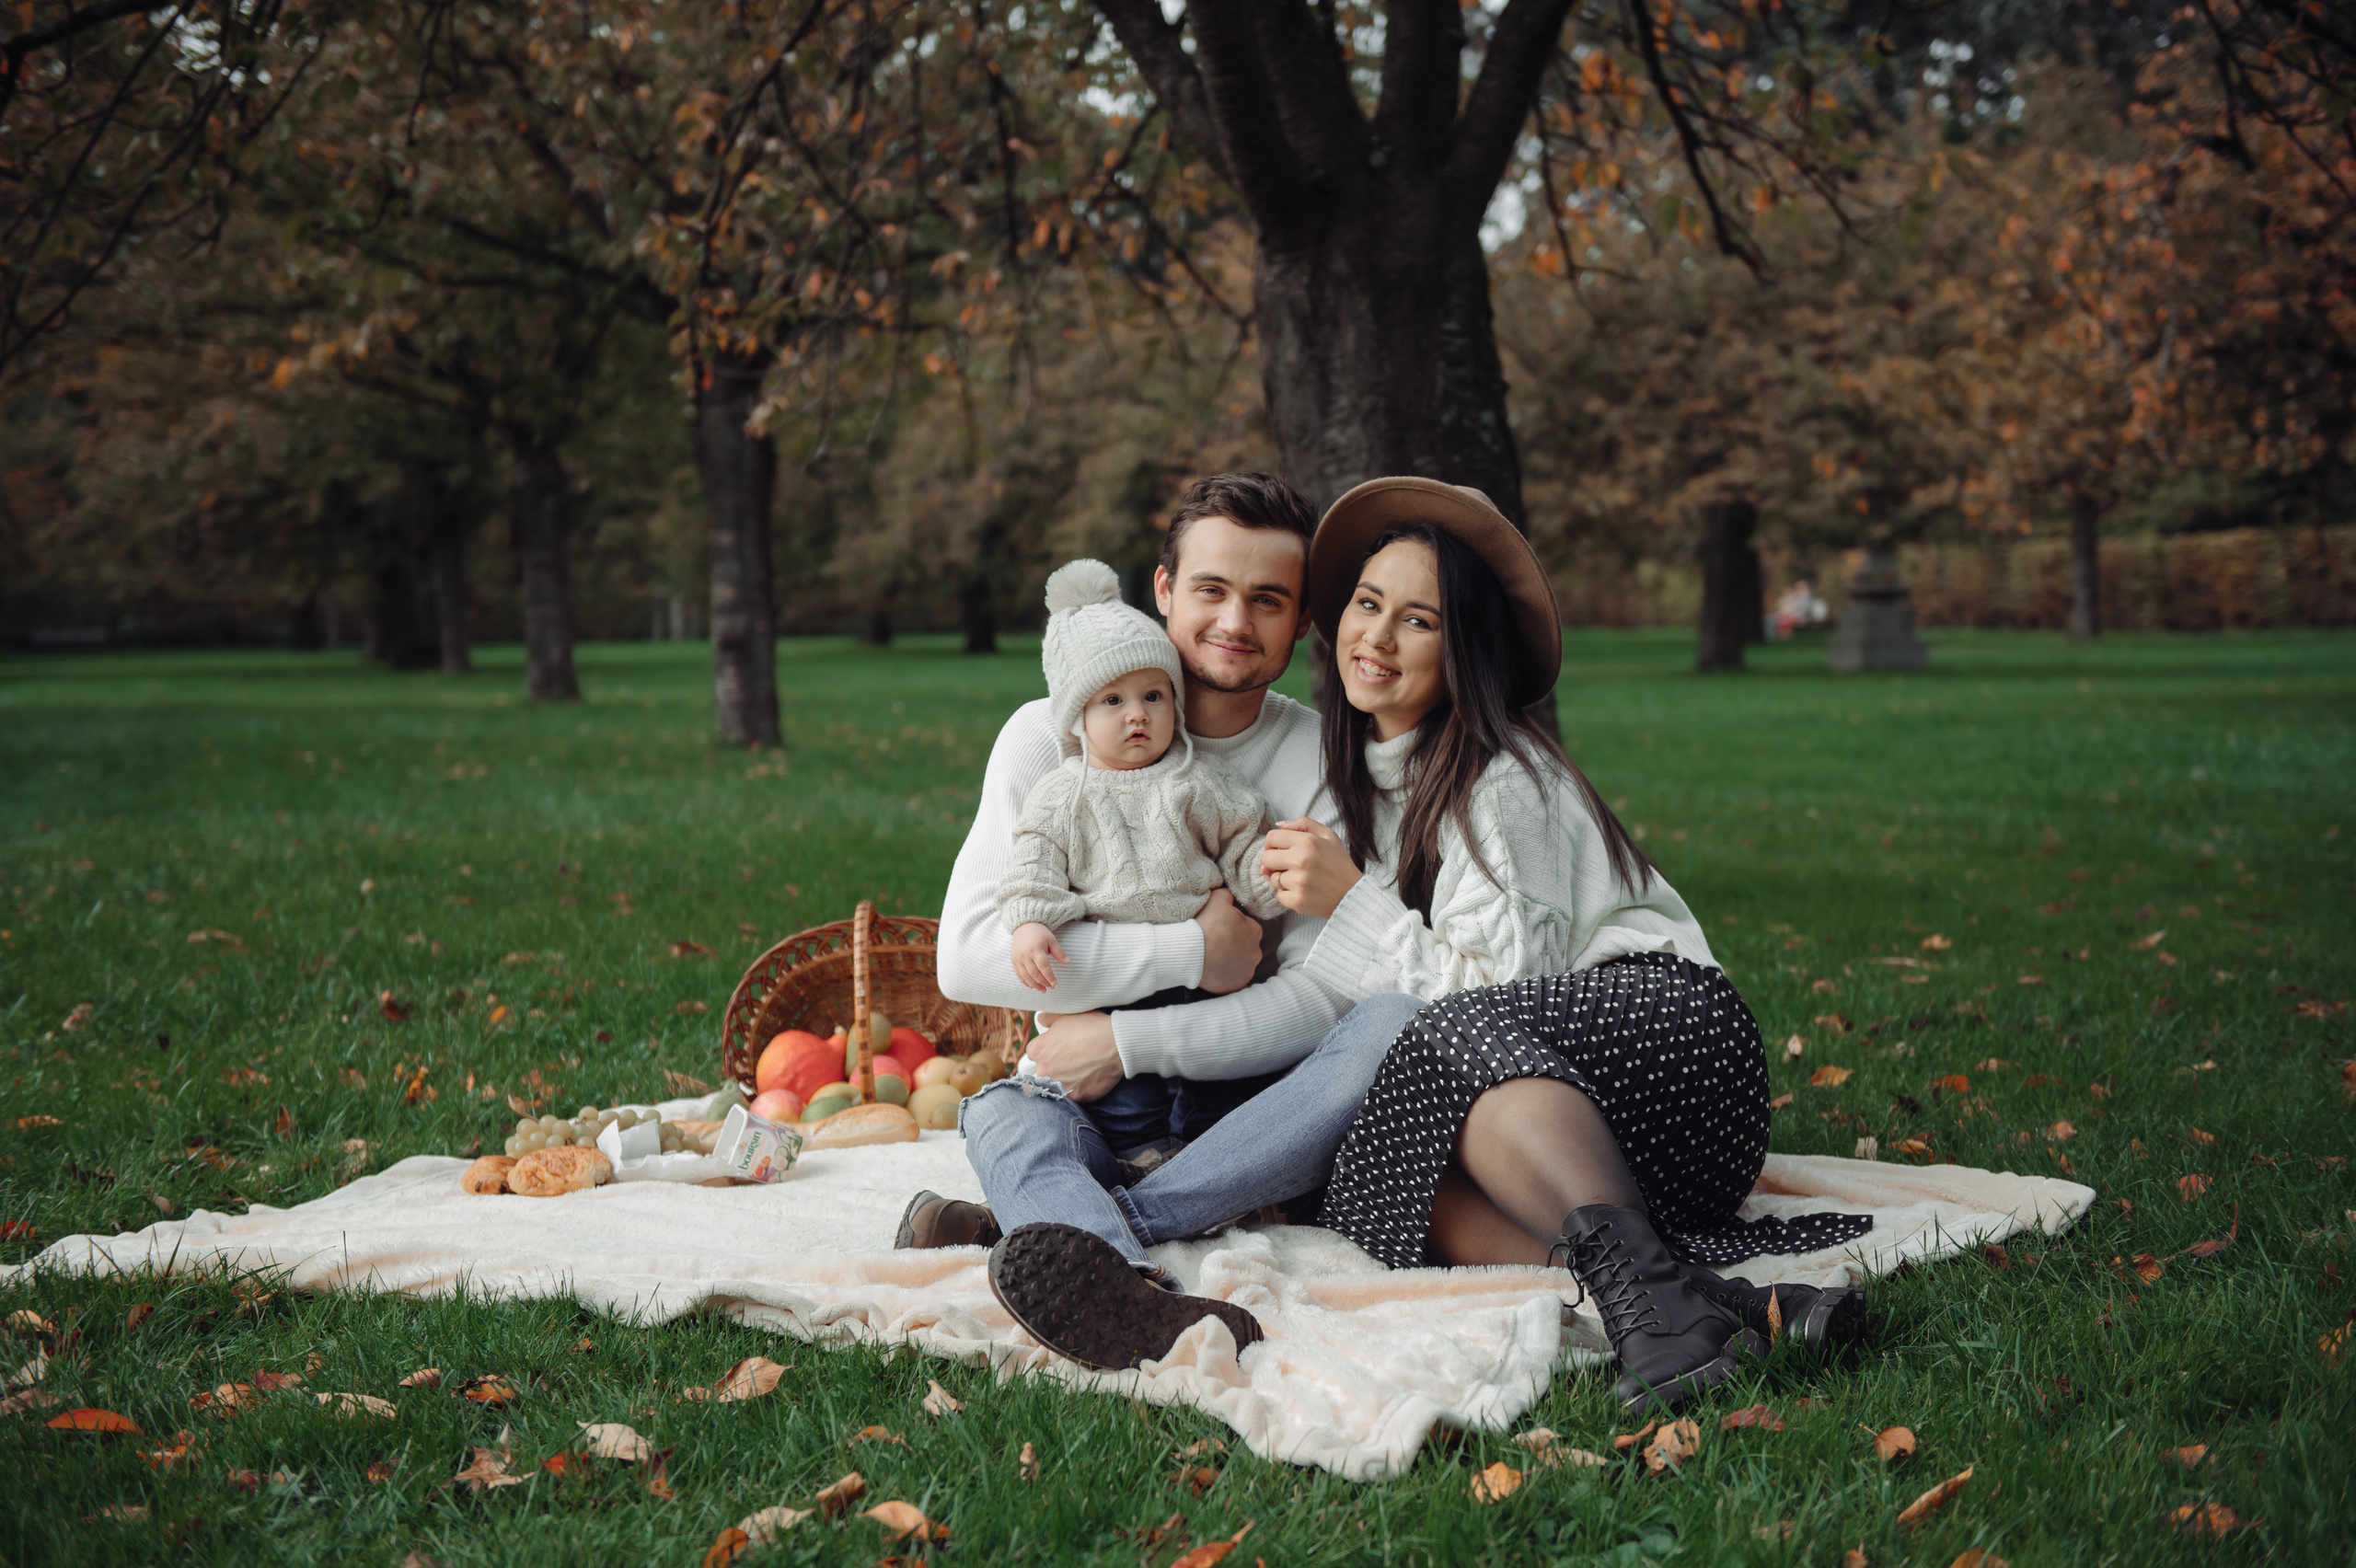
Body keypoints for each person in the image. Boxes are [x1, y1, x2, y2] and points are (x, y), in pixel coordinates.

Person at [1269, 478, 1871, 1415]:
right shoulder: (1363, 785)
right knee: (1374, 1177)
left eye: (1418, 620)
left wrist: (1354, 906)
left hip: (1671, 1052)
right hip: (1562, 1151)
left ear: (1463, 648)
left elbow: (1501, 1003)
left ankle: (1666, 1302)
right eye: (1367, 604)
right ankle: (1700, 1306)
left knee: (1445, 1038)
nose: (1377, 637)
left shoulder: (1500, 776)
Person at [903, 472, 1427, 1371]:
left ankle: (1079, 1238)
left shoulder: (1328, 762)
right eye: (1210, 590)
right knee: (1001, 1115)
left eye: (1268, 599)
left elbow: (1322, 998)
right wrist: (1191, 950)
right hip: (1083, 1103)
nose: (1234, 621)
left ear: (1303, 618)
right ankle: (1125, 1274)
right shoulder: (1048, 735)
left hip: (1246, 1114)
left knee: (1390, 1023)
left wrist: (1125, 1042)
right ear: (1163, 591)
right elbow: (971, 957)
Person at [998, 559, 1287, 1001]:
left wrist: (1272, 871)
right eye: (1113, 700)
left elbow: (1242, 842)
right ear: (1077, 718)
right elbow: (1033, 866)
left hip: (1203, 977)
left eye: (1153, 696)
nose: (1138, 714)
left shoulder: (1199, 777)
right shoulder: (1061, 796)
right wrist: (1031, 923)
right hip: (1108, 981)